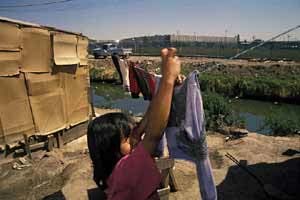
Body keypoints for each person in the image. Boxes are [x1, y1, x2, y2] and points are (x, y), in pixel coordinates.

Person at [87, 48, 181, 200]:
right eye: (127, 137)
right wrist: (168, 79)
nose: (135, 137)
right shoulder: (126, 168)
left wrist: (166, 88)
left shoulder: (113, 169)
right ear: (111, 148)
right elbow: (154, 134)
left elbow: (145, 123)